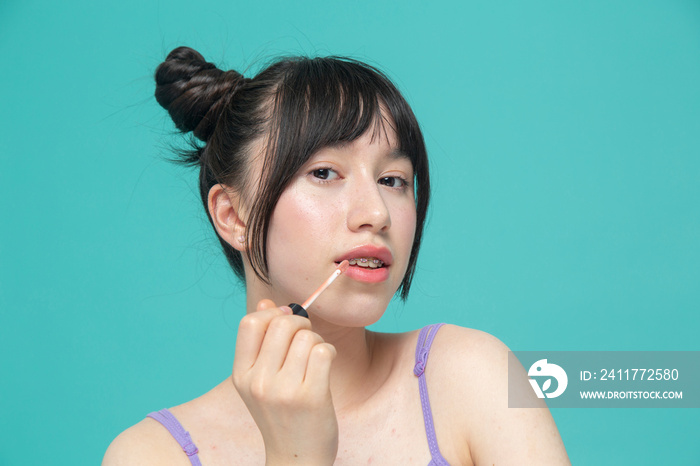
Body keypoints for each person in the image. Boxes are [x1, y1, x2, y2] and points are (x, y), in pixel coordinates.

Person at [103, 46, 570, 465]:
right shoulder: (152, 454)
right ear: (234, 216)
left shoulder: (472, 376)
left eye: (393, 180)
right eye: (325, 172)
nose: (376, 213)